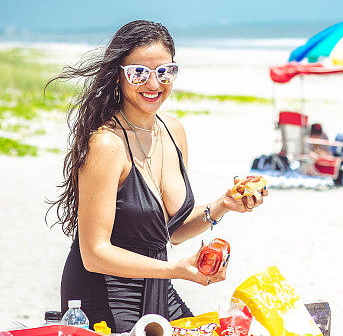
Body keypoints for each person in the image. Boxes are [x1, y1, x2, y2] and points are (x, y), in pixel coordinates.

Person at [47, 20, 268, 332]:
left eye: (164, 72)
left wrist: (223, 204)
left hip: (159, 284)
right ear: (119, 77)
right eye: (139, 73)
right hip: (106, 292)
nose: (153, 84)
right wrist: (175, 269)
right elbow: (94, 254)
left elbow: (172, 232)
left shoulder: (174, 131)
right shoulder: (106, 144)